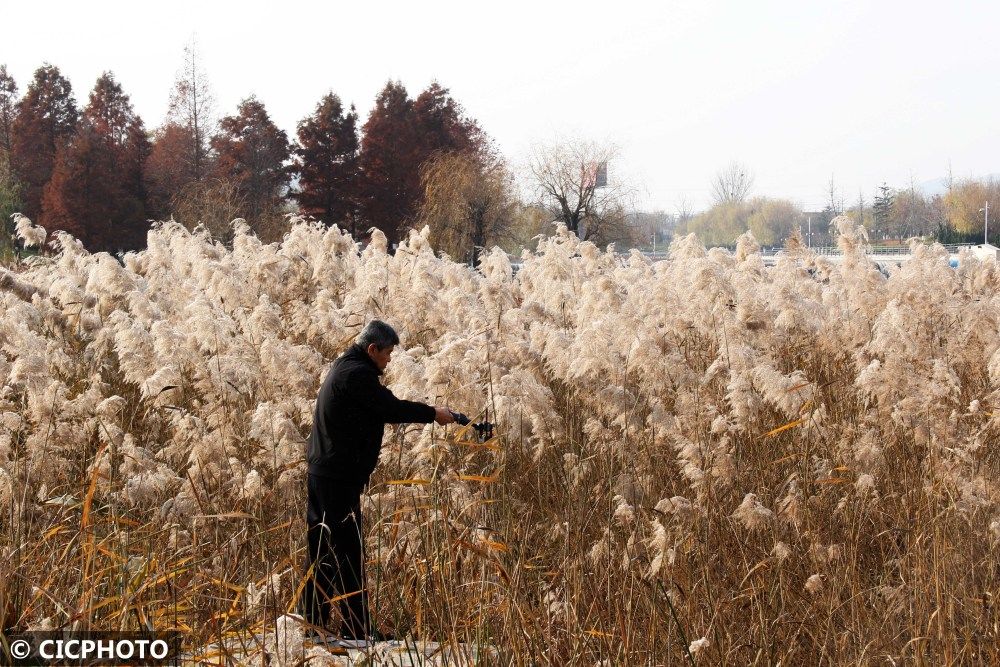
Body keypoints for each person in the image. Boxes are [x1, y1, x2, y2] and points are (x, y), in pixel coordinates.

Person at [302, 320, 455, 642]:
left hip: (327, 472)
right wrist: (433, 413)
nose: (389, 360)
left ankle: (313, 626)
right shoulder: (356, 374)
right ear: (372, 349)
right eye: (387, 353)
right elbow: (390, 408)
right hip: (336, 477)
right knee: (346, 552)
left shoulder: (347, 367)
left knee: (326, 552)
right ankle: (355, 630)